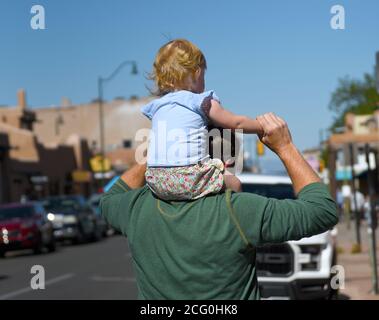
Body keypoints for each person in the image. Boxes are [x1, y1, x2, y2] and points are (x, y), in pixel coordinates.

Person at [100, 113, 338, 300]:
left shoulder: (138, 209)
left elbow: (110, 199)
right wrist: (285, 147)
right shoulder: (237, 212)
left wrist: (157, 153)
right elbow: (322, 210)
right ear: (223, 163)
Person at [141, 39, 263, 201]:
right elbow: (235, 123)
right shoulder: (199, 101)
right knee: (234, 183)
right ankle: (235, 214)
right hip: (190, 177)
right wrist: (261, 126)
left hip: (156, 180)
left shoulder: (157, 106)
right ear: (197, 73)